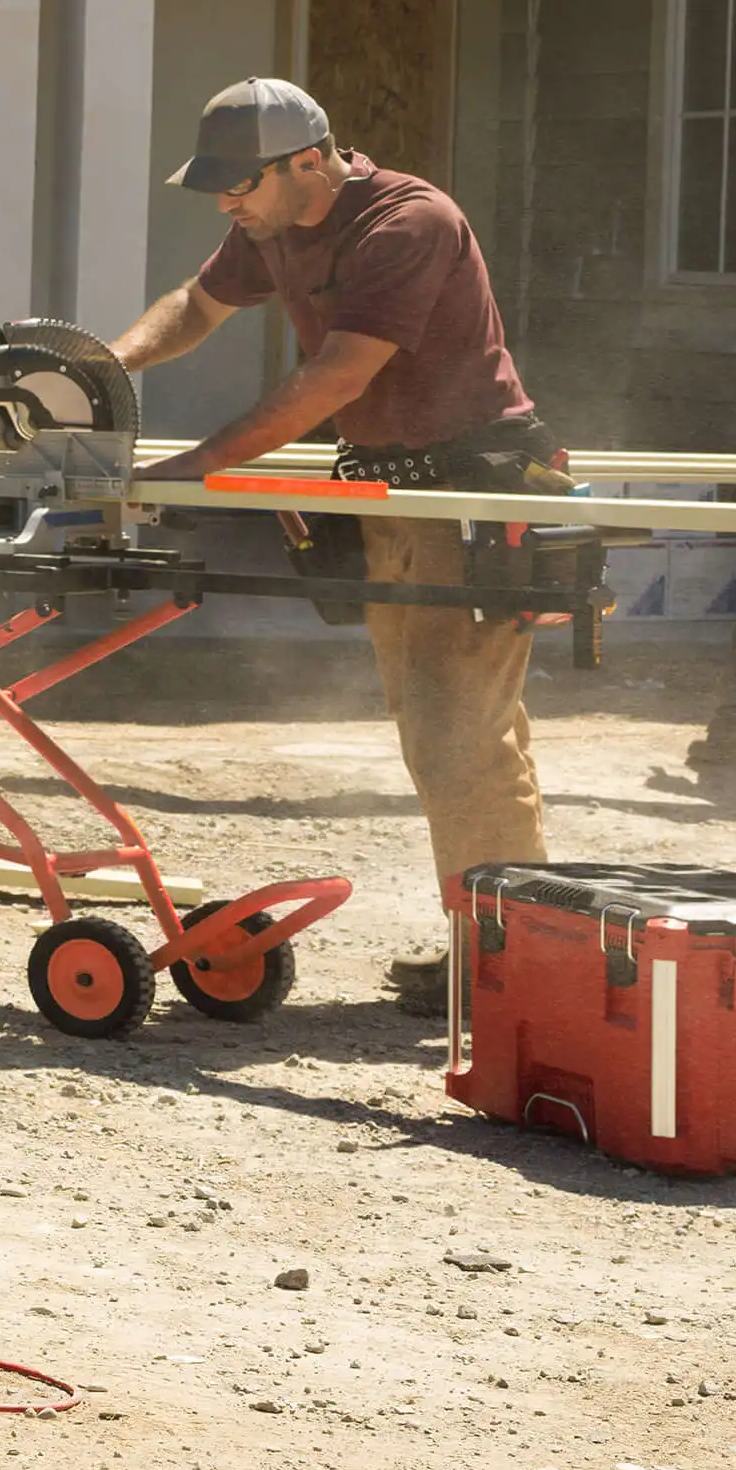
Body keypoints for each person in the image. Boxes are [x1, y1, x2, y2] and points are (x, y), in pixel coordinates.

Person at [102, 77, 563, 1010]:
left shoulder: (407, 223)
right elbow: (196, 304)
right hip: (398, 492)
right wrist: (102, 365)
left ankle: (507, 961)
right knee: (454, 727)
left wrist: (208, 461)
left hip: (473, 490)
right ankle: (508, 941)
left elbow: (339, 376)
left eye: (242, 186)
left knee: (454, 732)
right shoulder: (272, 220)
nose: (229, 204)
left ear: (308, 161)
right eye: (220, 189)